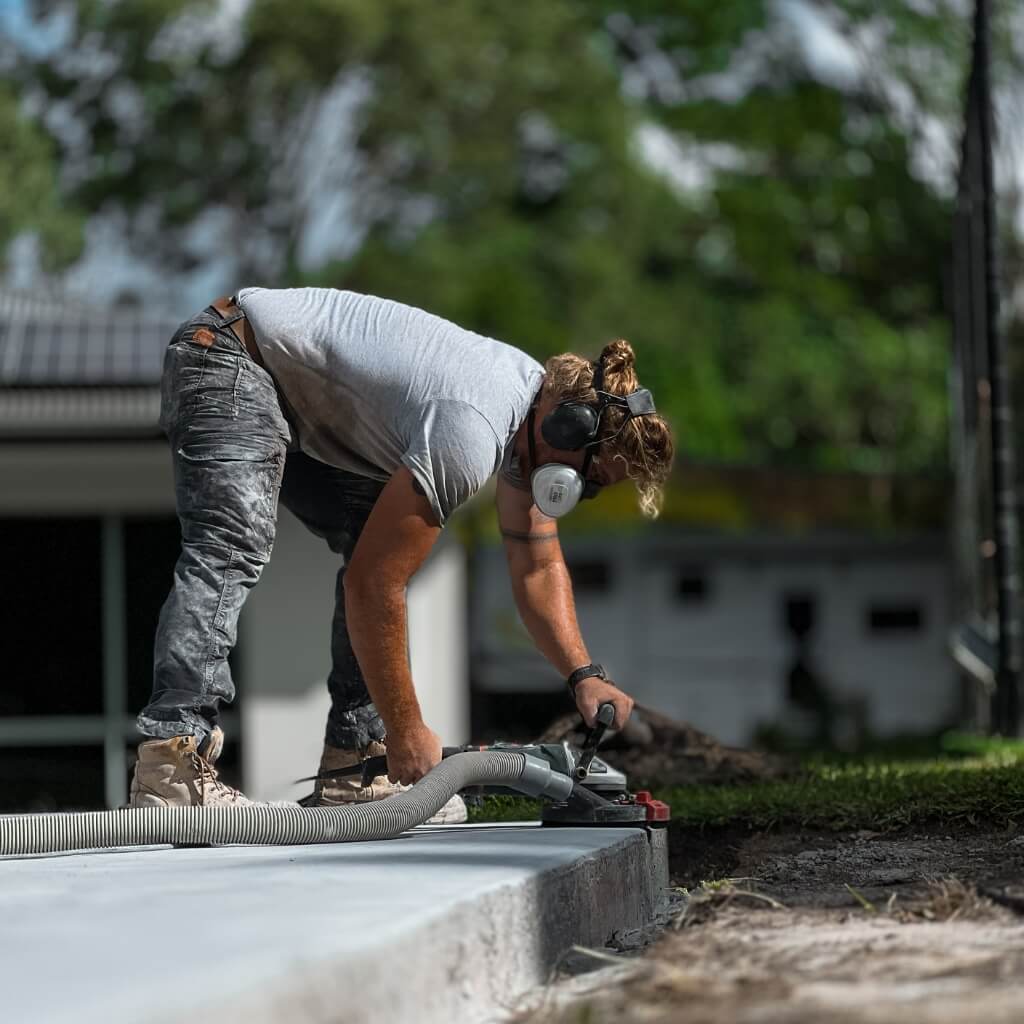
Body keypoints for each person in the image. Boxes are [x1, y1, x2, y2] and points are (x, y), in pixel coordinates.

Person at [128, 288, 674, 820]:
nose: (576, 488)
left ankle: (353, 759)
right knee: (230, 546)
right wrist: (406, 728)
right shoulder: (474, 427)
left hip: (288, 390)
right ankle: (171, 760)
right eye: (590, 476)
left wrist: (584, 674)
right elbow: (373, 585)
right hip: (230, 356)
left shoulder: (527, 420)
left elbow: (536, 564)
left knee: (373, 535)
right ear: (565, 426)